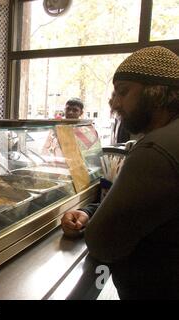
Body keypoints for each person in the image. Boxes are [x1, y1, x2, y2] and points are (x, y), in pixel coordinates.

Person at [62, 46, 179, 299]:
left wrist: (91, 221)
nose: (114, 104)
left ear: (157, 93)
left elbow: (103, 241)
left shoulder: (155, 148)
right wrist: (88, 211)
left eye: (123, 92)